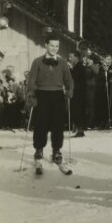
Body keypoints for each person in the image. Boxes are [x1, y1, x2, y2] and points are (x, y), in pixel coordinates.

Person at [26, 34, 73, 164]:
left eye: (57, 46)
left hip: (57, 96)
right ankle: (39, 149)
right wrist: (31, 95)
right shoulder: (37, 61)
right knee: (41, 123)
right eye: (52, 45)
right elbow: (31, 81)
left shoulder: (62, 62)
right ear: (46, 45)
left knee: (57, 124)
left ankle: (56, 150)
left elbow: (69, 80)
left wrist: (69, 90)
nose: (54, 48)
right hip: (42, 95)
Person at [68, 50, 87, 137]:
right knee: (75, 110)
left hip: (79, 92)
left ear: (76, 57)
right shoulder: (76, 67)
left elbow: (74, 78)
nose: (70, 59)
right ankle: (78, 128)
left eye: (71, 57)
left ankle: (80, 130)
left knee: (78, 110)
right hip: (76, 91)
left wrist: (69, 70)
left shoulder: (79, 67)